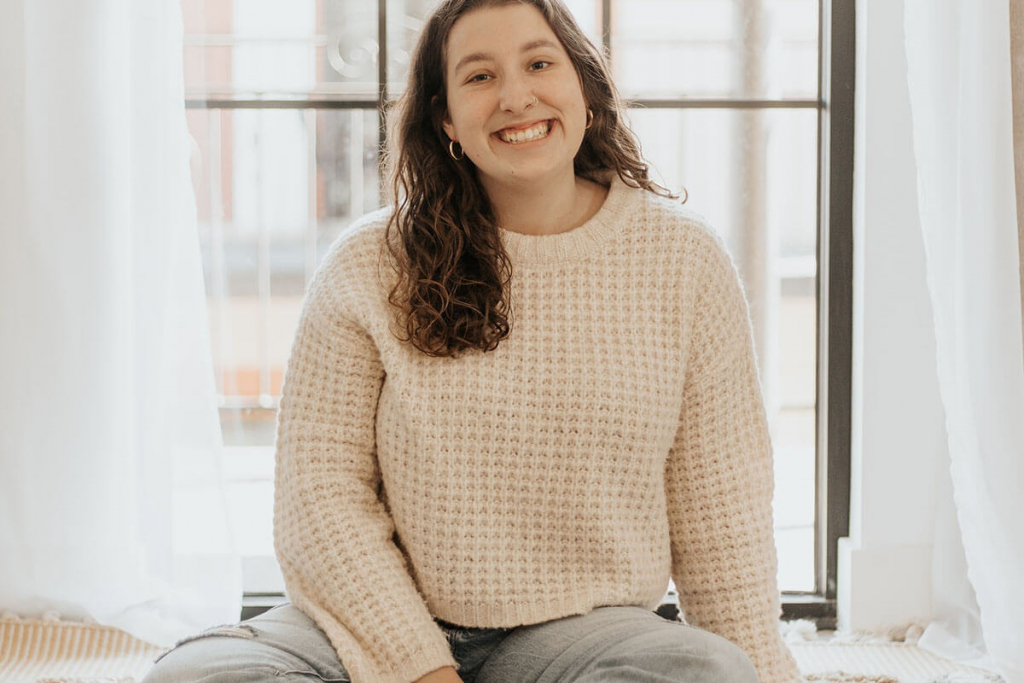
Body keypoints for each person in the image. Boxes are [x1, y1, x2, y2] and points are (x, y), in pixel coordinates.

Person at [142, 0, 805, 682]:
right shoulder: (368, 263)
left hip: (583, 636)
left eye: (539, 63)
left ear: (585, 85)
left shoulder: (684, 259)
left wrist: (758, 669)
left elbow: (722, 510)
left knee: (708, 671)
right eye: (480, 76)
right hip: (379, 620)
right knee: (201, 674)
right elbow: (321, 499)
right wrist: (420, 668)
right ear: (446, 119)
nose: (516, 96)